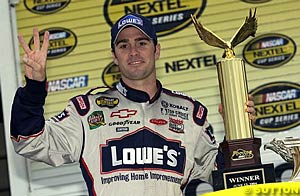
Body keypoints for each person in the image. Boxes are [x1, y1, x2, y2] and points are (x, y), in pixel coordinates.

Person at [10, 13, 255, 196]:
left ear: (157, 50)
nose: (133, 51)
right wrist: (33, 87)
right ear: (114, 56)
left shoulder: (190, 112)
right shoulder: (87, 110)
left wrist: (237, 127)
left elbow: (218, 172)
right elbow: (29, 141)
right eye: (123, 45)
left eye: (142, 42)